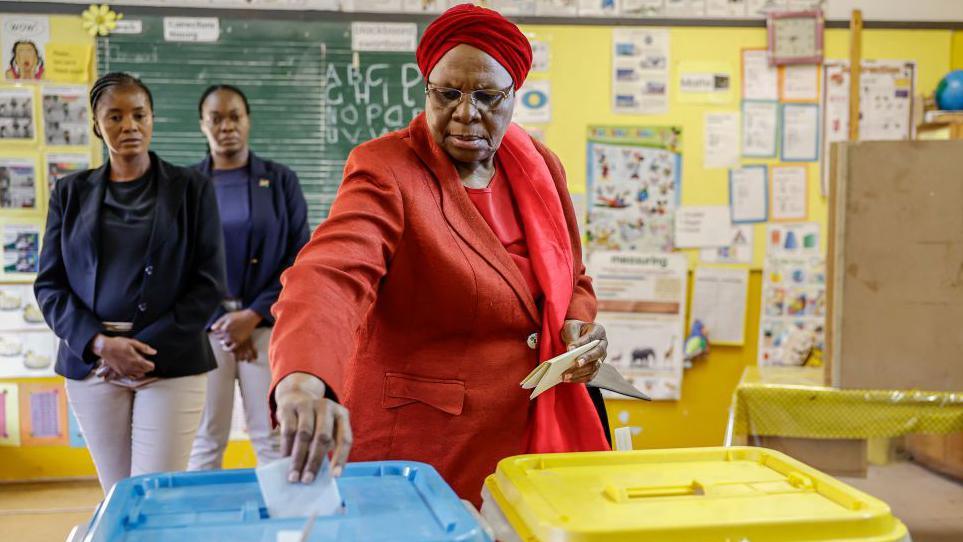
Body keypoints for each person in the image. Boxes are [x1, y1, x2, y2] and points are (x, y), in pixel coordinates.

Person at [269, 4, 611, 505]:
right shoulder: (387, 169)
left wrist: (578, 324)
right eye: (448, 93)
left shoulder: (540, 167)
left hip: (528, 436)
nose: (466, 112)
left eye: (487, 96)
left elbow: (571, 274)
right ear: (426, 88)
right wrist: (302, 378)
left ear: (514, 95)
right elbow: (332, 274)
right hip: (425, 445)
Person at [34, 73, 226, 494]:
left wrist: (141, 350)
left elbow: (209, 282)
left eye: (139, 114)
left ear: (153, 118)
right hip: (92, 364)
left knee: (155, 494)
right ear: (96, 125)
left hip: (171, 363)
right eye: (114, 116)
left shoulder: (192, 188)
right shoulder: (69, 193)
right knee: (118, 494)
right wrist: (102, 345)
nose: (129, 126)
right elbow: (49, 285)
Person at [188, 84, 309, 470]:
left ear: (248, 120)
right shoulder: (185, 186)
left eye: (235, 116)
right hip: (206, 331)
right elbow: (175, 262)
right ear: (202, 125)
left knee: (272, 434)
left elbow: (299, 256)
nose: (227, 126)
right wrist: (221, 323)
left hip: (266, 327)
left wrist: (252, 316)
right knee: (205, 438)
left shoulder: (280, 180)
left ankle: (284, 526)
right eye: (216, 118)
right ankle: (202, 528)